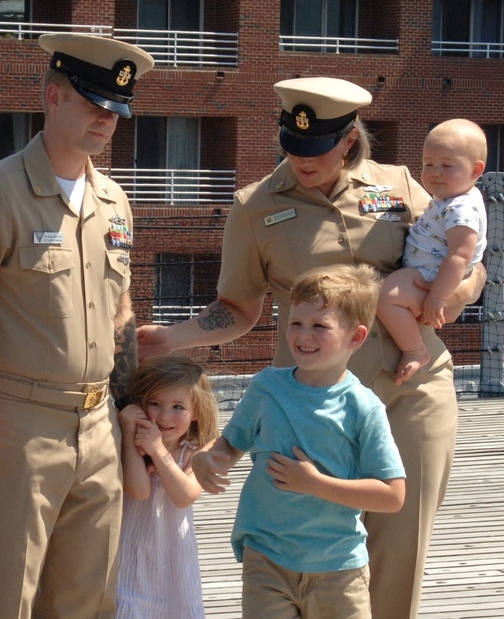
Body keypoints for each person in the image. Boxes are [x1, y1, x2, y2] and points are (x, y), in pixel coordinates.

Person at [136, 77, 486, 619]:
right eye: (292, 146)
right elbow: (238, 307)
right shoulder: (255, 206)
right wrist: (175, 337)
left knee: (399, 549)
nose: (303, 159)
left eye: (317, 147)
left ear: (348, 139)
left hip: (409, 387)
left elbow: (468, 258)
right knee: (310, 543)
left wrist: (455, 293)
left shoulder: (399, 185)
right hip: (309, 407)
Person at [0, 33, 154, 618]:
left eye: (116, 112)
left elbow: (120, 309)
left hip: (98, 423)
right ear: (53, 98)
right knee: (8, 597)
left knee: (88, 600)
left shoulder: (114, 201)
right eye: (94, 106)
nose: (106, 121)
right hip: (15, 424)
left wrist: (129, 405)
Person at [193, 264, 405, 618]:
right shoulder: (266, 387)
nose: (303, 335)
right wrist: (206, 458)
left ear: (356, 337)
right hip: (266, 558)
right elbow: (230, 444)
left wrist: (315, 484)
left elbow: (392, 495)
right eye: (296, 323)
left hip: (338, 567)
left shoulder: (363, 407)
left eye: (319, 326)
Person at [377, 118, 487, 384]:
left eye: (447, 165)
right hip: (428, 271)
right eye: (428, 164)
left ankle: (415, 350)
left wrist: (439, 297)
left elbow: (461, 257)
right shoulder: (448, 198)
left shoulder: (461, 207)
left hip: (432, 275)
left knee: (386, 297)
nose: (435, 172)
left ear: (476, 170)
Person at [116, 355, 219, 619]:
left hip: (173, 556)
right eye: (155, 404)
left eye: (177, 407)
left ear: (196, 411)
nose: (164, 416)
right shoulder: (136, 444)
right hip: (132, 548)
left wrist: (157, 449)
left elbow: (185, 495)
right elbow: (139, 491)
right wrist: (129, 435)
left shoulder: (198, 450)